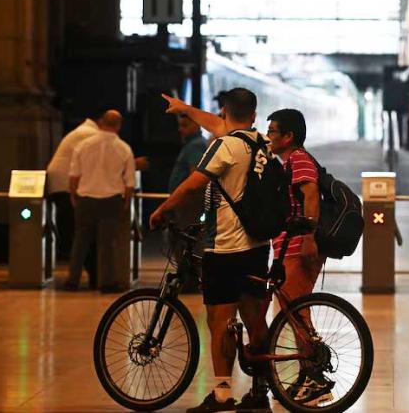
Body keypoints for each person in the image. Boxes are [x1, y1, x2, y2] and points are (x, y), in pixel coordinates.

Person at [152, 88, 273, 413]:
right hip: (258, 247)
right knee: (253, 318)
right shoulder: (260, 143)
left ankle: (222, 394)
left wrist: (163, 209)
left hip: (225, 248)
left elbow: (194, 184)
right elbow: (218, 125)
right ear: (254, 115)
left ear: (224, 113)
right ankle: (260, 393)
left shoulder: (224, 146)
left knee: (220, 321)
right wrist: (184, 107)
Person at [265, 109, 334, 406]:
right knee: (293, 312)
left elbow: (311, 195)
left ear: (288, 136)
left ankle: (316, 380)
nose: (268, 137)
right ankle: (308, 377)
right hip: (288, 246)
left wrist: (308, 237)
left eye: (272, 132)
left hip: (298, 246)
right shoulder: (289, 161)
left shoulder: (299, 159)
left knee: (297, 311)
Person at [65, 110, 135, 293]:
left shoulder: (83, 145)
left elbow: (74, 176)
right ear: (119, 126)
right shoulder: (124, 148)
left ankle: (72, 281)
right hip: (111, 201)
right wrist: (126, 201)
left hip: (85, 199)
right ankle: (107, 283)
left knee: (80, 241)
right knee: (107, 244)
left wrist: (73, 195)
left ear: (101, 122)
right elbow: (129, 182)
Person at [47, 110, 100, 287]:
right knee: (82, 234)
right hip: (66, 188)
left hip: (61, 187)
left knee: (78, 234)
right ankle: (91, 276)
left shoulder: (82, 132)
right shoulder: (89, 134)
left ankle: (83, 276)